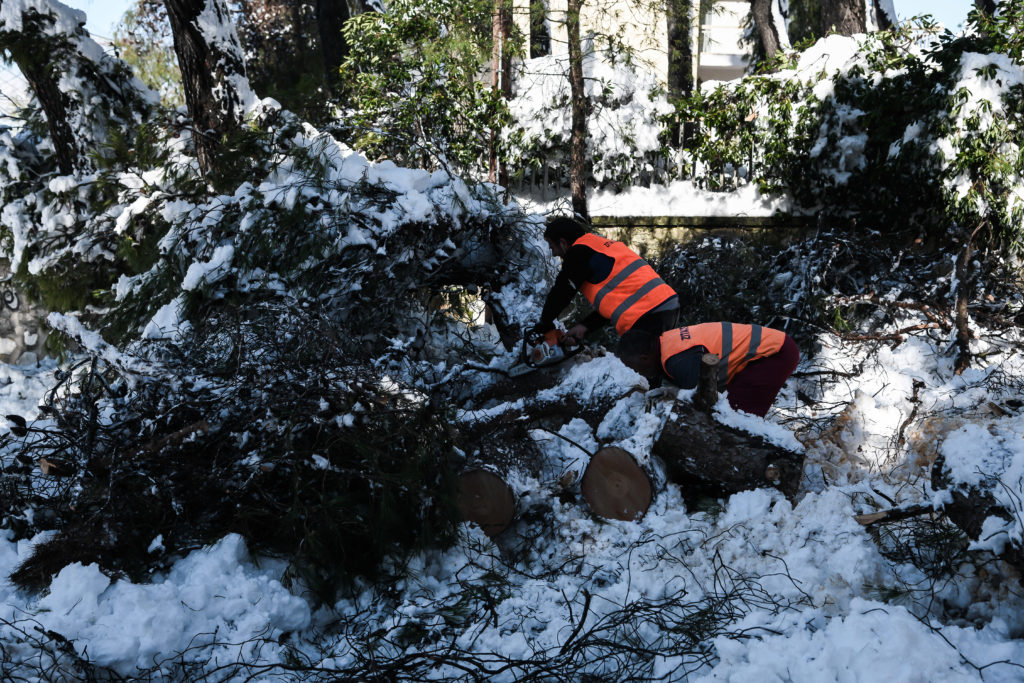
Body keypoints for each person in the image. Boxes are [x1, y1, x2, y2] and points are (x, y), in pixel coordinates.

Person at [529, 216, 679, 356]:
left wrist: (544, 323)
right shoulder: (598, 245)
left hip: (646, 314)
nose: (554, 254)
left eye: (552, 247)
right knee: (655, 365)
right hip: (667, 305)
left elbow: (562, 291)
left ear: (562, 243)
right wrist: (585, 326)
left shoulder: (577, 253)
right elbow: (618, 300)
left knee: (636, 371)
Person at [619, 322, 799, 417]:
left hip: (775, 354)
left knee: (738, 418)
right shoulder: (667, 341)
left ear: (644, 358)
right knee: (732, 410)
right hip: (774, 347)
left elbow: (700, 401)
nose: (633, 370)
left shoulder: (678, 361)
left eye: (630, 365)